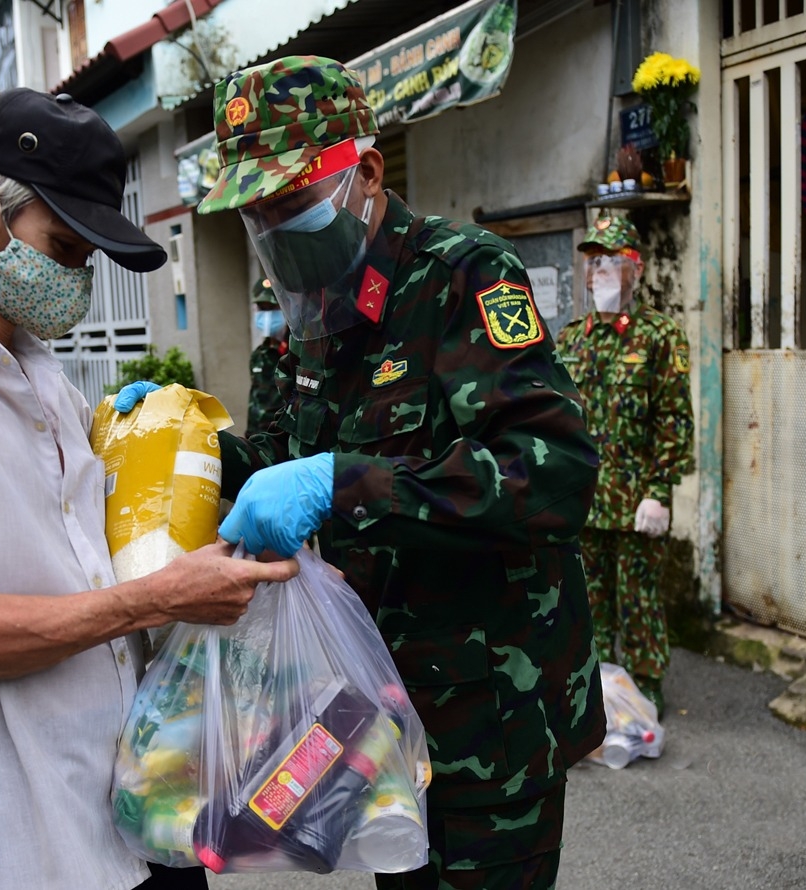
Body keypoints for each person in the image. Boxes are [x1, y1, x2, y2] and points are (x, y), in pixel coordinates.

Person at [0, 87, 298, 890]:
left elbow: (89, 556)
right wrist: (159, 598)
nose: (77, 283)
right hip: (16, 845)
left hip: (130, 809)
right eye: (66, 250)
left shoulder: (40, 371)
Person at [195, 57, 605, 890]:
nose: (272, 229)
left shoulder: (462, 276)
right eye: (256, 212)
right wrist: (194, 447)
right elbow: (281, 474)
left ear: (366, 172)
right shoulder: (298, 329)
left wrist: (344, 482)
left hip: (490, 732)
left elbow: (551, 472)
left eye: (288, 202)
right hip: (374, 727)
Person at [554, 212, 694, 717]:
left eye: (613, 261)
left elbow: (675, 420)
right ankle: (597, 694)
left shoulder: (660, 337)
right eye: (594, 262)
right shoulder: (571, 340)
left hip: (637, 502)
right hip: (583, 503)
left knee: (639, 601)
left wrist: (661, 489)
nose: (602, 272)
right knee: (586, 603)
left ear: (636, 269)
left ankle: (646, 687)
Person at [245, 276, 287, 437]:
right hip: (258, 440)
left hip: (283, 442)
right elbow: (254, 402)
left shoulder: (297, 353)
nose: (267, 315)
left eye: (273, 307)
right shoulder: (259, 355)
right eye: (262, 308)